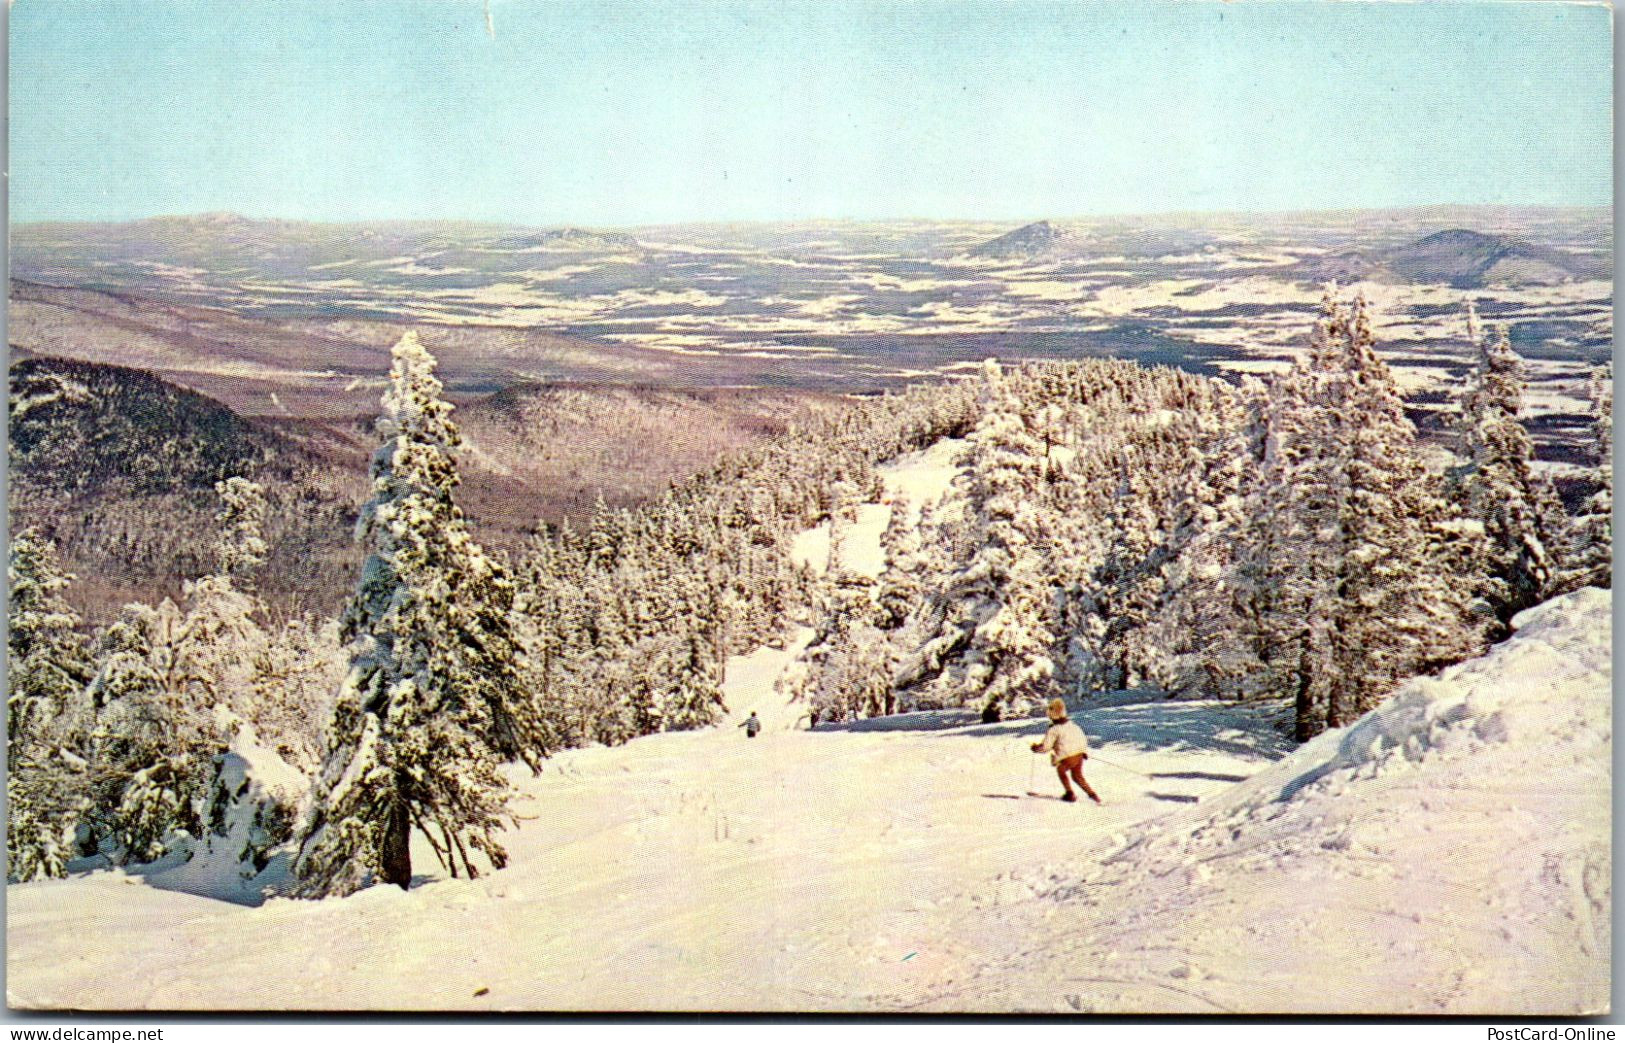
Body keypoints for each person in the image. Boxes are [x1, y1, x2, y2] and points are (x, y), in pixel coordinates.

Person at [1031, 698, 1101, 804]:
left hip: (1068, 755)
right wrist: (1083, 752)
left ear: (1051, 715)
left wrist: (1037, 748)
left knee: (1061, 770)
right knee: (1077, 776)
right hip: (1079, 754)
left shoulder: (1054, 729)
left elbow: (1046, 747)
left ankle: (1070, 793)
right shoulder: (1072, 725)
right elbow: (1082, 737)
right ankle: (1093, 795)